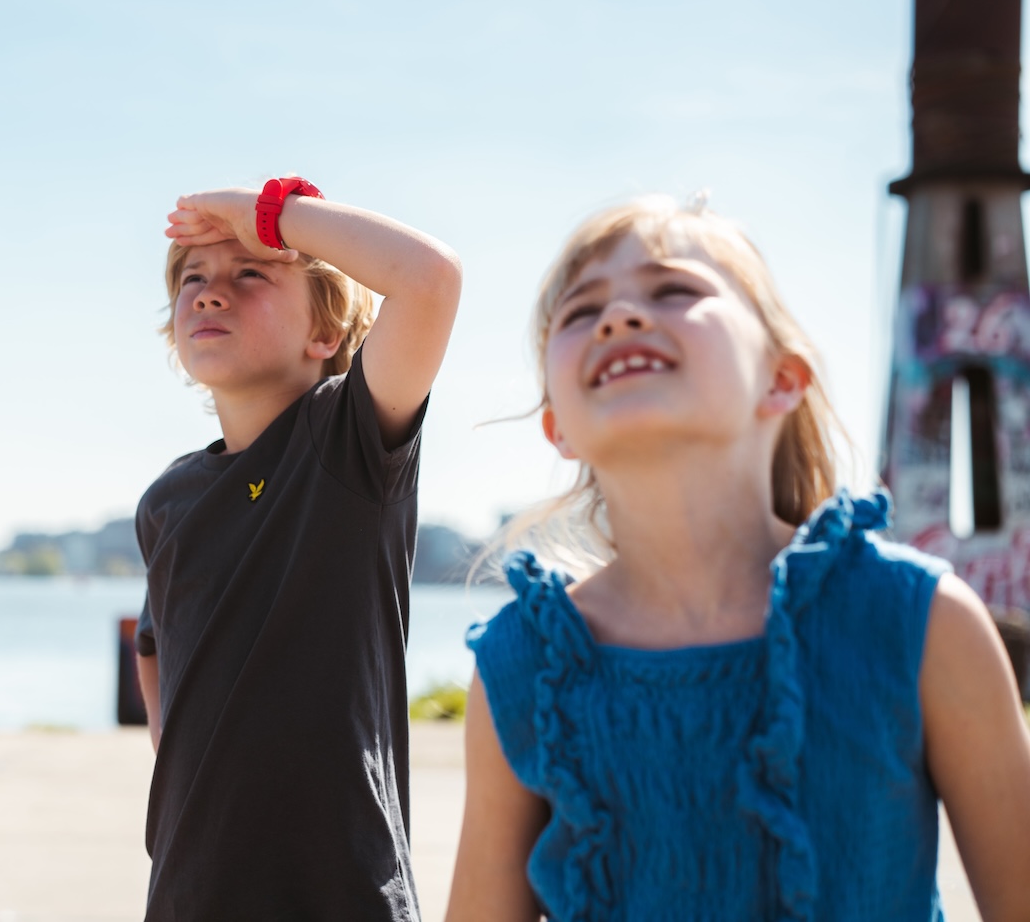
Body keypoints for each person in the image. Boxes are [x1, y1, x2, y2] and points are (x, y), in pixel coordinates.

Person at [446, 198, 1030, 920]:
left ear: (782, 379)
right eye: (580, 310)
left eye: (674, 290)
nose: (619, 315)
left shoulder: (922, 619)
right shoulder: (522, 662)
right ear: (557, 426)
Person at [132, 178, 461, 921]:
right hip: (190, 893)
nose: (211, 293)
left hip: (341, 891)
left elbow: (430, 280)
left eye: (251, 272)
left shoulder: (345, 443)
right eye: (193, 279)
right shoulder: (166, 502)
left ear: (329, 335)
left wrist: (273, 215)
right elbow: (155, 647)